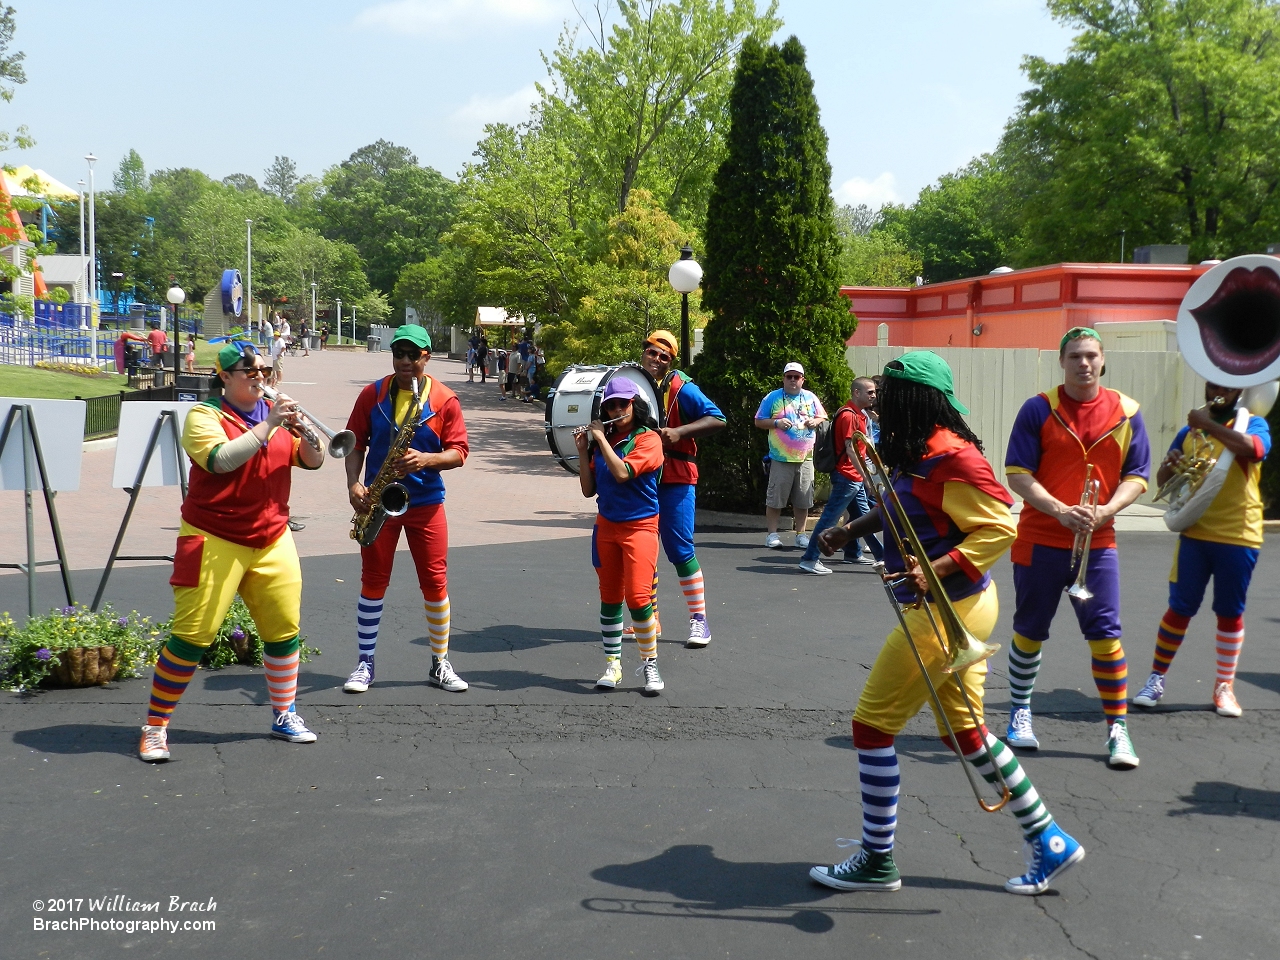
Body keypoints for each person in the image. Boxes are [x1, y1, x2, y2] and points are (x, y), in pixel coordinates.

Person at [809, 351, 1084, 896]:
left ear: (918, 399)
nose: (879, 401)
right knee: (968, 734)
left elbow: (998, 531)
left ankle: (875, 860)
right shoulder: (917, 451)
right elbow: (900, 505)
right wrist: (850, 529)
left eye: (889, 393)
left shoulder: (952, 457)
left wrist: (931, 569)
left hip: (946, 609)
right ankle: (1050, 839)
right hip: (951, 606)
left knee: (870, 728)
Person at [137, 342, 325, 762]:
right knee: (192, 636)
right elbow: (221, 461)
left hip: (272, 536)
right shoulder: (204, 416)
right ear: (224, 376)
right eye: (249, 371)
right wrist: (271, 425)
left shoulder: (273, 416)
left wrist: (307, 431)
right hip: (213, 537)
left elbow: (313, 461)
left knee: (283, 632)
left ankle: (284, 714)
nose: (261, 376)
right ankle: (155, 727)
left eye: (264, 369)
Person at [1001, 327, 1150, 768]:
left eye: (1090, 356)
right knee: (1030, 630)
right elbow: (1016, 473)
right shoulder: (1038, 408)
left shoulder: (1127, 412)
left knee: (1106, 636)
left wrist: (1105, 510)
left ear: (1102, 360)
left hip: (1098, 542)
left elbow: (1137, 475)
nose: (1083, 364)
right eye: (1074, 357)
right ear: (1062, 361)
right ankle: (1019, 714)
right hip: (1039, 539)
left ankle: (1117, 728)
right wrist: (1059, 509)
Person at [341, 324, 470, 696]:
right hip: (379, 502)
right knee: (372, 582)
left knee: (435, 583)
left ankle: (440, 662)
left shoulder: (445, 400)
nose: (405, 361)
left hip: (426, 502)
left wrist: (427, 459)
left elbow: (459, 452)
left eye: (413, 355)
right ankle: (365, 663)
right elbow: (354, 444)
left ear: (426, 357)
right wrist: (353, 483)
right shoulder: (373, 394)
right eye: (399, 354)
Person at [1133, 383, 1272, 717]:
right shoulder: (1188, 431)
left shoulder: (1253, 422)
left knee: (1229, 612)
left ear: (1240, 388)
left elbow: (1254, 450)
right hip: (1195, 531)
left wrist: (1207, 424)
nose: (1218, 389)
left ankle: (1224, 686)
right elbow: (1165, 480)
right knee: (1179, 608)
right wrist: (1171, 464)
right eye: (1212, 382)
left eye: (1226, 384)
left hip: (1239, 534)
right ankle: (1155, 679)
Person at [575, 377, 667, 694]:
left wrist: (599, 439)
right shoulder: (604, 442)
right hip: (606, 527)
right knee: (610, 597)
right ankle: (612, 666)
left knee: (639, 598)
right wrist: (583, 451)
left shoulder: (649, 439)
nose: (617, 409)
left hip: (640, 526)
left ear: (634, 405)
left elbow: (623, 472)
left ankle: (650, 666)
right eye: (611, 405)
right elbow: (589, 490)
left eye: (622, 404)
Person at [638, 330, 727, 647]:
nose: (657, 359)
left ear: (671, 361)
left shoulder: (682, 388)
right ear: (644, 351)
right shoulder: (632, 382)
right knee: (642, 552)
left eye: (664, 356)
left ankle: (699, 621)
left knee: (679, 549)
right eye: (652, 352)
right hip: (641, 478)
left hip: (676, 477)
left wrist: (680, 431)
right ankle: (649, 620)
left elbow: (718, 419)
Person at [798, 376, 884, 575]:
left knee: (862, 517)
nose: (874, 395)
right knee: (829, 518)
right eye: (870, 392)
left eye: (874, 392)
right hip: (847, 476)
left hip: (853, 476)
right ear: (856, 393)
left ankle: (855, 553)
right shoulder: (849, 416)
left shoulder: (859, 414)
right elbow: (851, 449)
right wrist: (866, 476)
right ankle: (809, 559)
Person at [754, 362, 827, 549]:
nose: (793, 380)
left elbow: (823, 417)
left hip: (805, 458)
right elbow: (759, 421)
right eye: (789, 376)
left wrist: (815, 420)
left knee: (803, 499)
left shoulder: (810, 397)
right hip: (780, 458)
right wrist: (776, 423)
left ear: (803, 379)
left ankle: (801, 534)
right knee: (776, 499)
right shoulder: (773, 397)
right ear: (784, 378)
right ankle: (772, 534)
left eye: (797, 377)